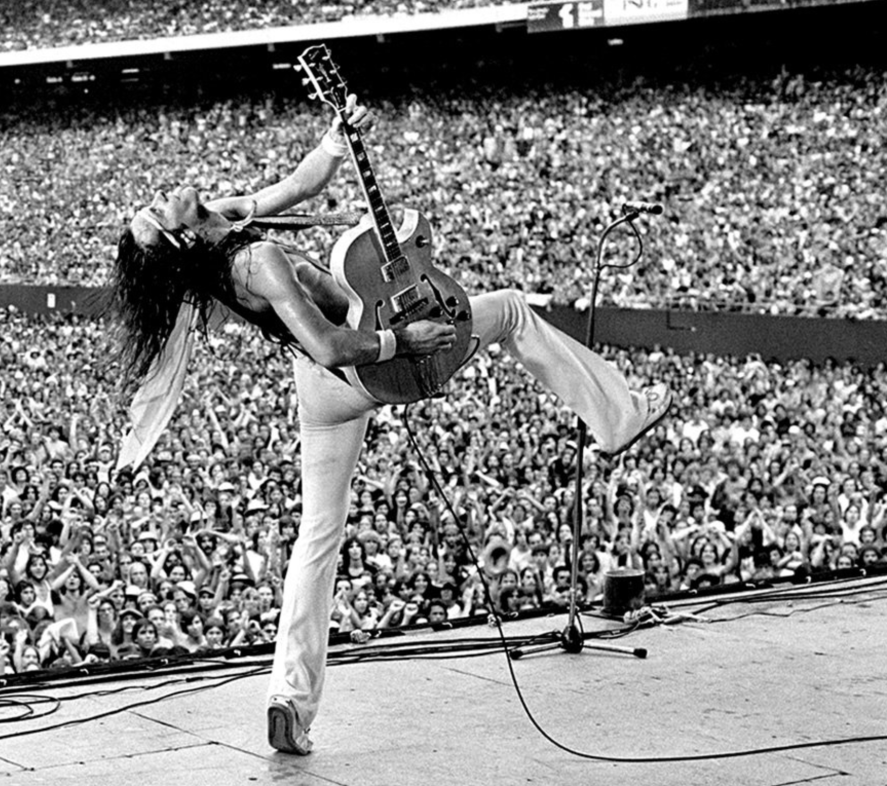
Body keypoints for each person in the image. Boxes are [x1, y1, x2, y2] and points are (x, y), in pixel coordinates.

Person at [111, 93, 672, 755]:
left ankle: (289, 700)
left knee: (318, 534)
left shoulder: (222, 224)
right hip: (358, 361)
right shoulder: (252, 263)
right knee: (511, 309)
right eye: (157, 211)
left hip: (321, 395)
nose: (160, 195)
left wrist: (335, 138)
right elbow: (329, 344)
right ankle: (616, 418)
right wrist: (403, 340)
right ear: (181, 238)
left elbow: (297, 186)